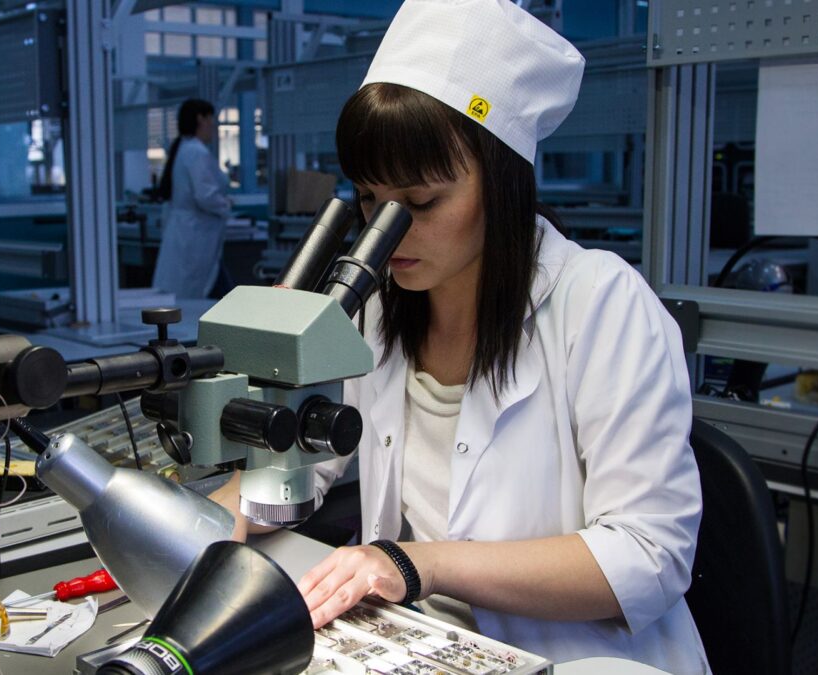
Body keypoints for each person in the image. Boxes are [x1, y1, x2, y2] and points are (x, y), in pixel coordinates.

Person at [211, 1, 709, 672]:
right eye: (369, 200)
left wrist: (416, 564)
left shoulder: (602, 304)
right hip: (421, 641)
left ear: (500, 185)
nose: (388, 231)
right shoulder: (377, 308)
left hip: (575, 655)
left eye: (420, 203)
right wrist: (196, 535)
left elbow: (651, 556)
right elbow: (294, 468)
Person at [151, 98, 231, 299]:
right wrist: (225, 205)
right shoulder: (196, 152)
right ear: (201, 119)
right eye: (211, 119)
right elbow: (205, 195)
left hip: (188, 232)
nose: (213, 126)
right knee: (195, 292)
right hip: (195, 234)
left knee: (191, 289)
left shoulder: (185, 148)